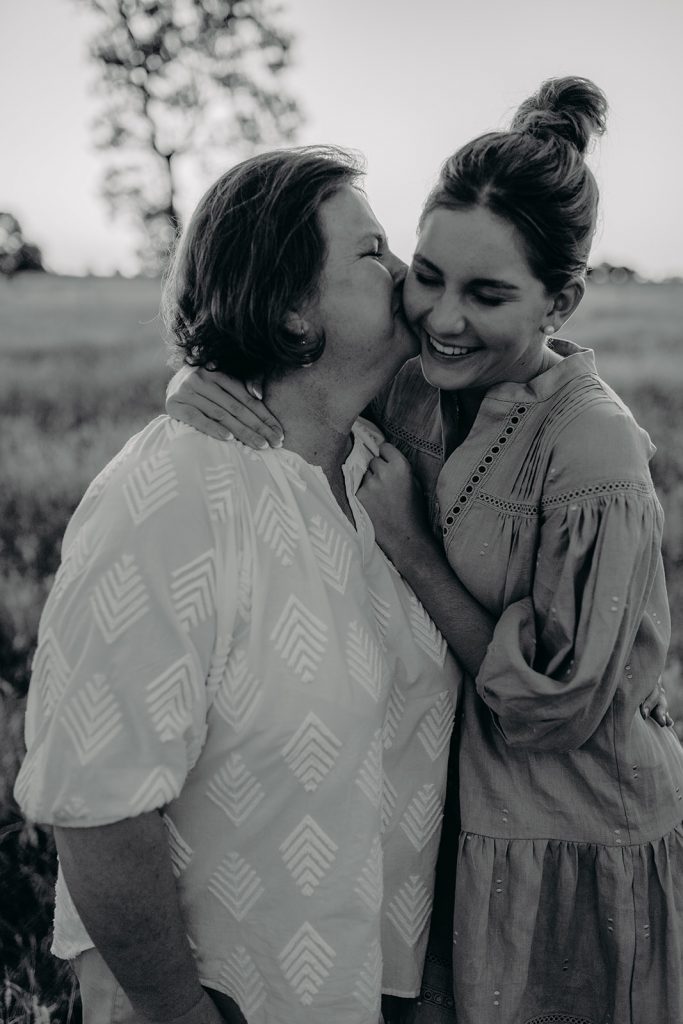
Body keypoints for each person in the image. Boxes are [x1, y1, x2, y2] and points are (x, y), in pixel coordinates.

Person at [165, 78, 683, 1023]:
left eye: (487, 295)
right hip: (447, 831)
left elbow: (555, 707)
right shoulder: (411, 382)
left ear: (561, 301)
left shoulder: (593, 451)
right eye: (428, 275)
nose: (441, 316)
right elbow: (293, 365)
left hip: (568, 839)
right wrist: (194, 383)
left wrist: (410, 546)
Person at [14, 147, 464, 1024]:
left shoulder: (392, 464)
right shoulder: (172, 497)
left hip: (378, 989)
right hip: (230, 997)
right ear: (290, 306)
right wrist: (180, 1013)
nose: (407, 272)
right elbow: (95, 801)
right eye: (371, 251)